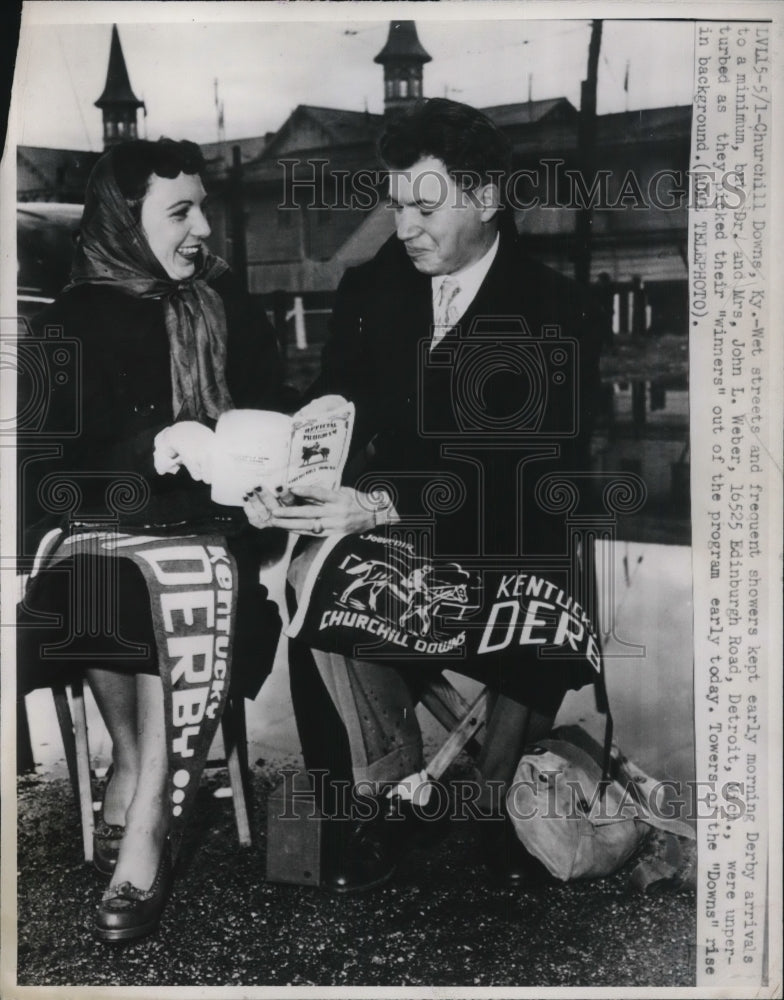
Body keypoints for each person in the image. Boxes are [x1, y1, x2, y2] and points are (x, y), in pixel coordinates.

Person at [268, 99, 602, 892]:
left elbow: (516, 461)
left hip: (509, 532)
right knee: (304, 577)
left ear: (486, 200)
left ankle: (492, 805)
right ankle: (382, 792)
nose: (405, 226)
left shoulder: (554, 307)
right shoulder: (374, 285)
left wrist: (376, 504)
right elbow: (338, 403)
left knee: (535, 575)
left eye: (425, 205)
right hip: (404, 536)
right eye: (396, 205)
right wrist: (297, 472)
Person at [17, 138, 286, 941]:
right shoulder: (68, 321)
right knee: (97, 581)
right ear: (124, 223)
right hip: (107, 534)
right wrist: (150, 454)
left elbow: (271, 412)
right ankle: (134, 756)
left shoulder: (228, 306)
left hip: (216, 537)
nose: (203, 226)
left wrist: (273, 466)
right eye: (180, 211)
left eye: (203, 206)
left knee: (188, 581)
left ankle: (147, 822)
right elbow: (41, 473)